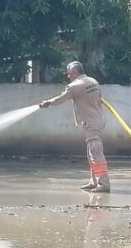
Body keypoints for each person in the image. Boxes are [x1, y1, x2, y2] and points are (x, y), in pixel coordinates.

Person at [40, 61, 110, 193]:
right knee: (91, 154)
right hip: (97, 121)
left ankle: (103, 183)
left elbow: (61, 98)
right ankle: (93, 181)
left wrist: (48, 102)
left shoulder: (74, 86)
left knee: (95, 152)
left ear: (75, 72)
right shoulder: (93, 81)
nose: (68, 76)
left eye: (69, 74)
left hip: (91, 123)